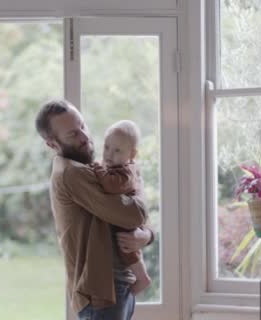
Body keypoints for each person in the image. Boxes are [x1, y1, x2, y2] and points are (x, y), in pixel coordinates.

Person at [35, 99, 154, 320]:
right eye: (73, 134)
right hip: (101, 293)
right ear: (52, 143)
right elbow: (133, 214)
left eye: (82, 125)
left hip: (116, 286)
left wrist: (146, 235)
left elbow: (127, 210)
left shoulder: (88, 167)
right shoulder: (72, 173)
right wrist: (137, 179)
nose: (84, 136)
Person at [91, 120, 151, 295]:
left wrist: (97, 169)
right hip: (123, 217)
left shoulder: (126, 172)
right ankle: (141, 276)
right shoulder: (115, 166)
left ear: (132, 154)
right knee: (127, 248)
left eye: (117, 150)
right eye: (107, 147)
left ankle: (142, 277)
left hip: (126, 223)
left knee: (128, 250)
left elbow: (112, 186)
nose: (109, 154)